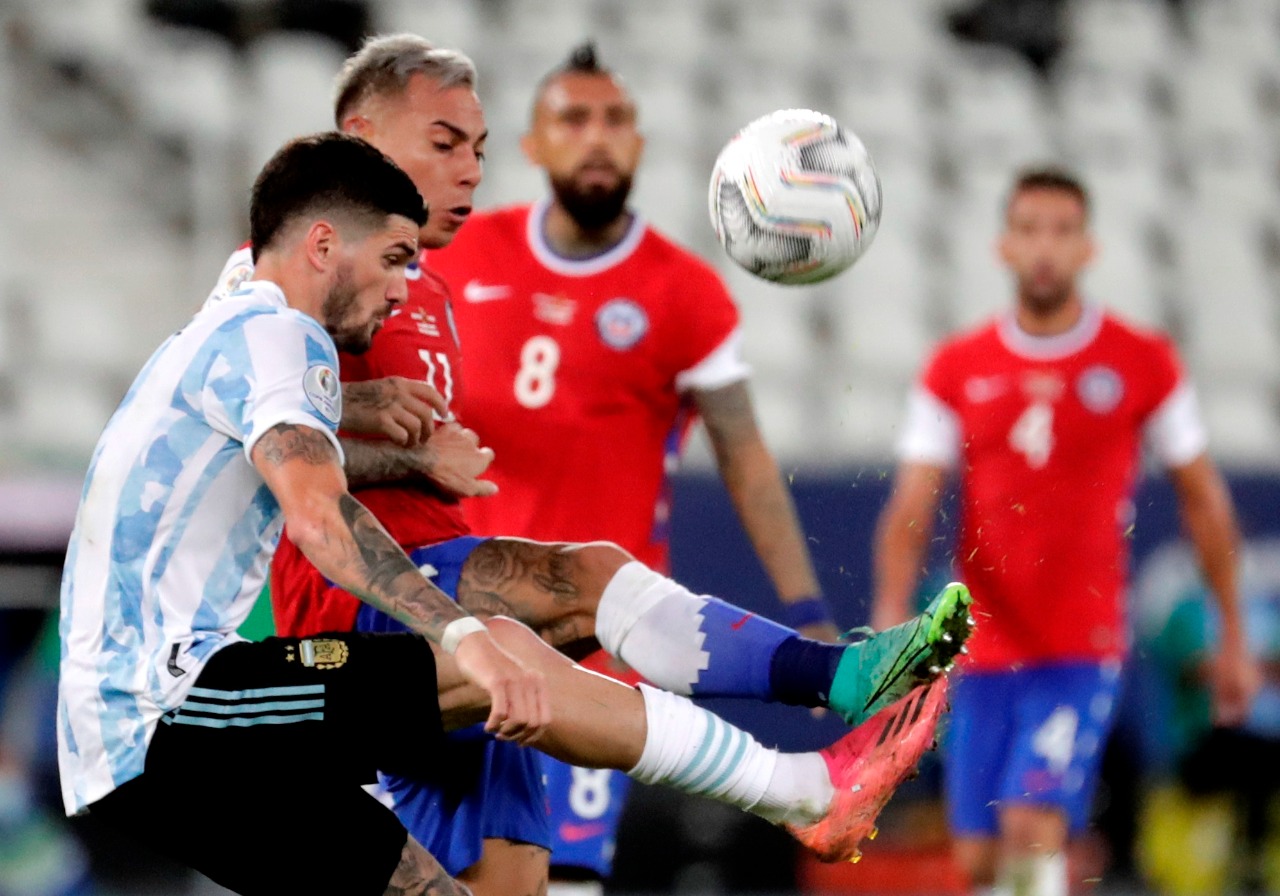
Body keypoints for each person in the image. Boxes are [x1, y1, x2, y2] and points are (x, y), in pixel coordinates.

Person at [58, 131, 952, 896]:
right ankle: (804, 789)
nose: (407, 287)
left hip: (148, 740)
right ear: (324, 245)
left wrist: (397, 449)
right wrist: (459, 636)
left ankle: (809, 781)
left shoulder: (228, 326)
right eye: (395, 258)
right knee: (505, 649)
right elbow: (322, 517)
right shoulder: (277, 332)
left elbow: (269, 464)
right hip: (167, 709)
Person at [428, 40, 849, 890]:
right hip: (458, 633)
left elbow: (746, 458)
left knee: (568, 880)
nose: (597, 137)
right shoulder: (461, 257)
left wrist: (806, 609)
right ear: (534, 145)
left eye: (616, 120)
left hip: (600, 648)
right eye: (573, 119)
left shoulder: (682, 291)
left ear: (641, 144)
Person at [870, 166, 1259, 896]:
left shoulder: (1142, 362)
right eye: (1028, 230)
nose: (1044, 247)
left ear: (1088, 249)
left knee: (1032, 826)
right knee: (981, 858)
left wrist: (1231, 631)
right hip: (983, 646)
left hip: (1081, 644)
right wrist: (892, 619)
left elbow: (1203, 499)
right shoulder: (957, 367)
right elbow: (911, 506)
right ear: (1003, 247)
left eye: (1061, 230)